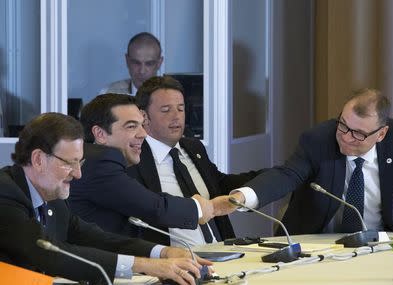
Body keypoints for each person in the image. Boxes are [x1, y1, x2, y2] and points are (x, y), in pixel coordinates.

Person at [0, 112, 211, 285]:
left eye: (79, 163)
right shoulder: (5, 193)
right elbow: (49, 253)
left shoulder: (51, 195)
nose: (78, 174)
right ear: (38, 159)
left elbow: (94, 238)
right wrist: (144, 265)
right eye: (69, 163)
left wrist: (162, 253)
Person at [229, 89, 393, 235]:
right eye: (343, 124)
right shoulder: (318, 138)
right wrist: (243, 197)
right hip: (318, 240)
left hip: (380, 238)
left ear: (381, 134)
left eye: (357, 134)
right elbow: (288, 174)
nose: (345, 137)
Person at [68, 93, 232, 241]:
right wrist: (206, 208)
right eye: (131, 126)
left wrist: (162, 255)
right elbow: (154, 207)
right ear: (100, 134)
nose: (143, 134)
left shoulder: (95, 158)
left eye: (142, 125)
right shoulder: (99, 162)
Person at [126, 76, 261, 246]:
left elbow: (220, 183)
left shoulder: (193, 147)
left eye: (180, 109)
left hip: (223, 253)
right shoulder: (133, 158)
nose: (176, 117)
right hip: (174, 262)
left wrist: (272, 177)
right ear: (144, 116)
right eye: (166, 110)